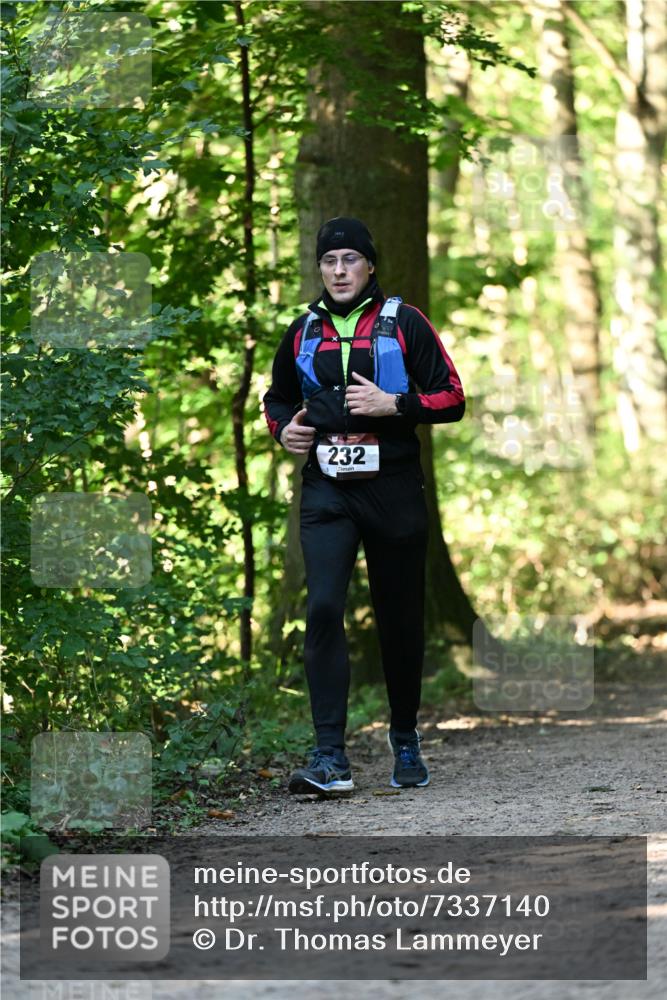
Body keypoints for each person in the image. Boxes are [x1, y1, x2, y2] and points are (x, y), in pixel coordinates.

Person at [263, 217, 465, 795]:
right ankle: (330, 757)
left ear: (369, 266)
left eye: (350, 259)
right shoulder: (303, 330)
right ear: (320, 269)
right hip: (327, 489)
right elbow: (278, 397)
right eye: (330, 261)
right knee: (324, 607)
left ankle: (404, 735)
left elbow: (452, 398)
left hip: (394, 488)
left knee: (399, 619)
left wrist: (393, 403)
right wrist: (284, 430)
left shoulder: (405, 323)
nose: (339, 270)